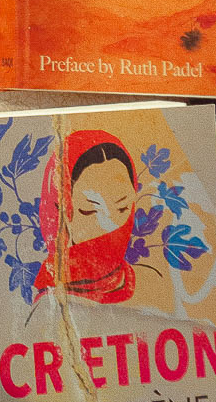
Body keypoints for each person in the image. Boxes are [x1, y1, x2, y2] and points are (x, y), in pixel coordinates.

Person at [33, 130, 140, 303]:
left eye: (123, 207)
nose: (110, 225)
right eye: (90, 211)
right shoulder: (50, 303)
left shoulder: (149, 283)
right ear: (60, 214)